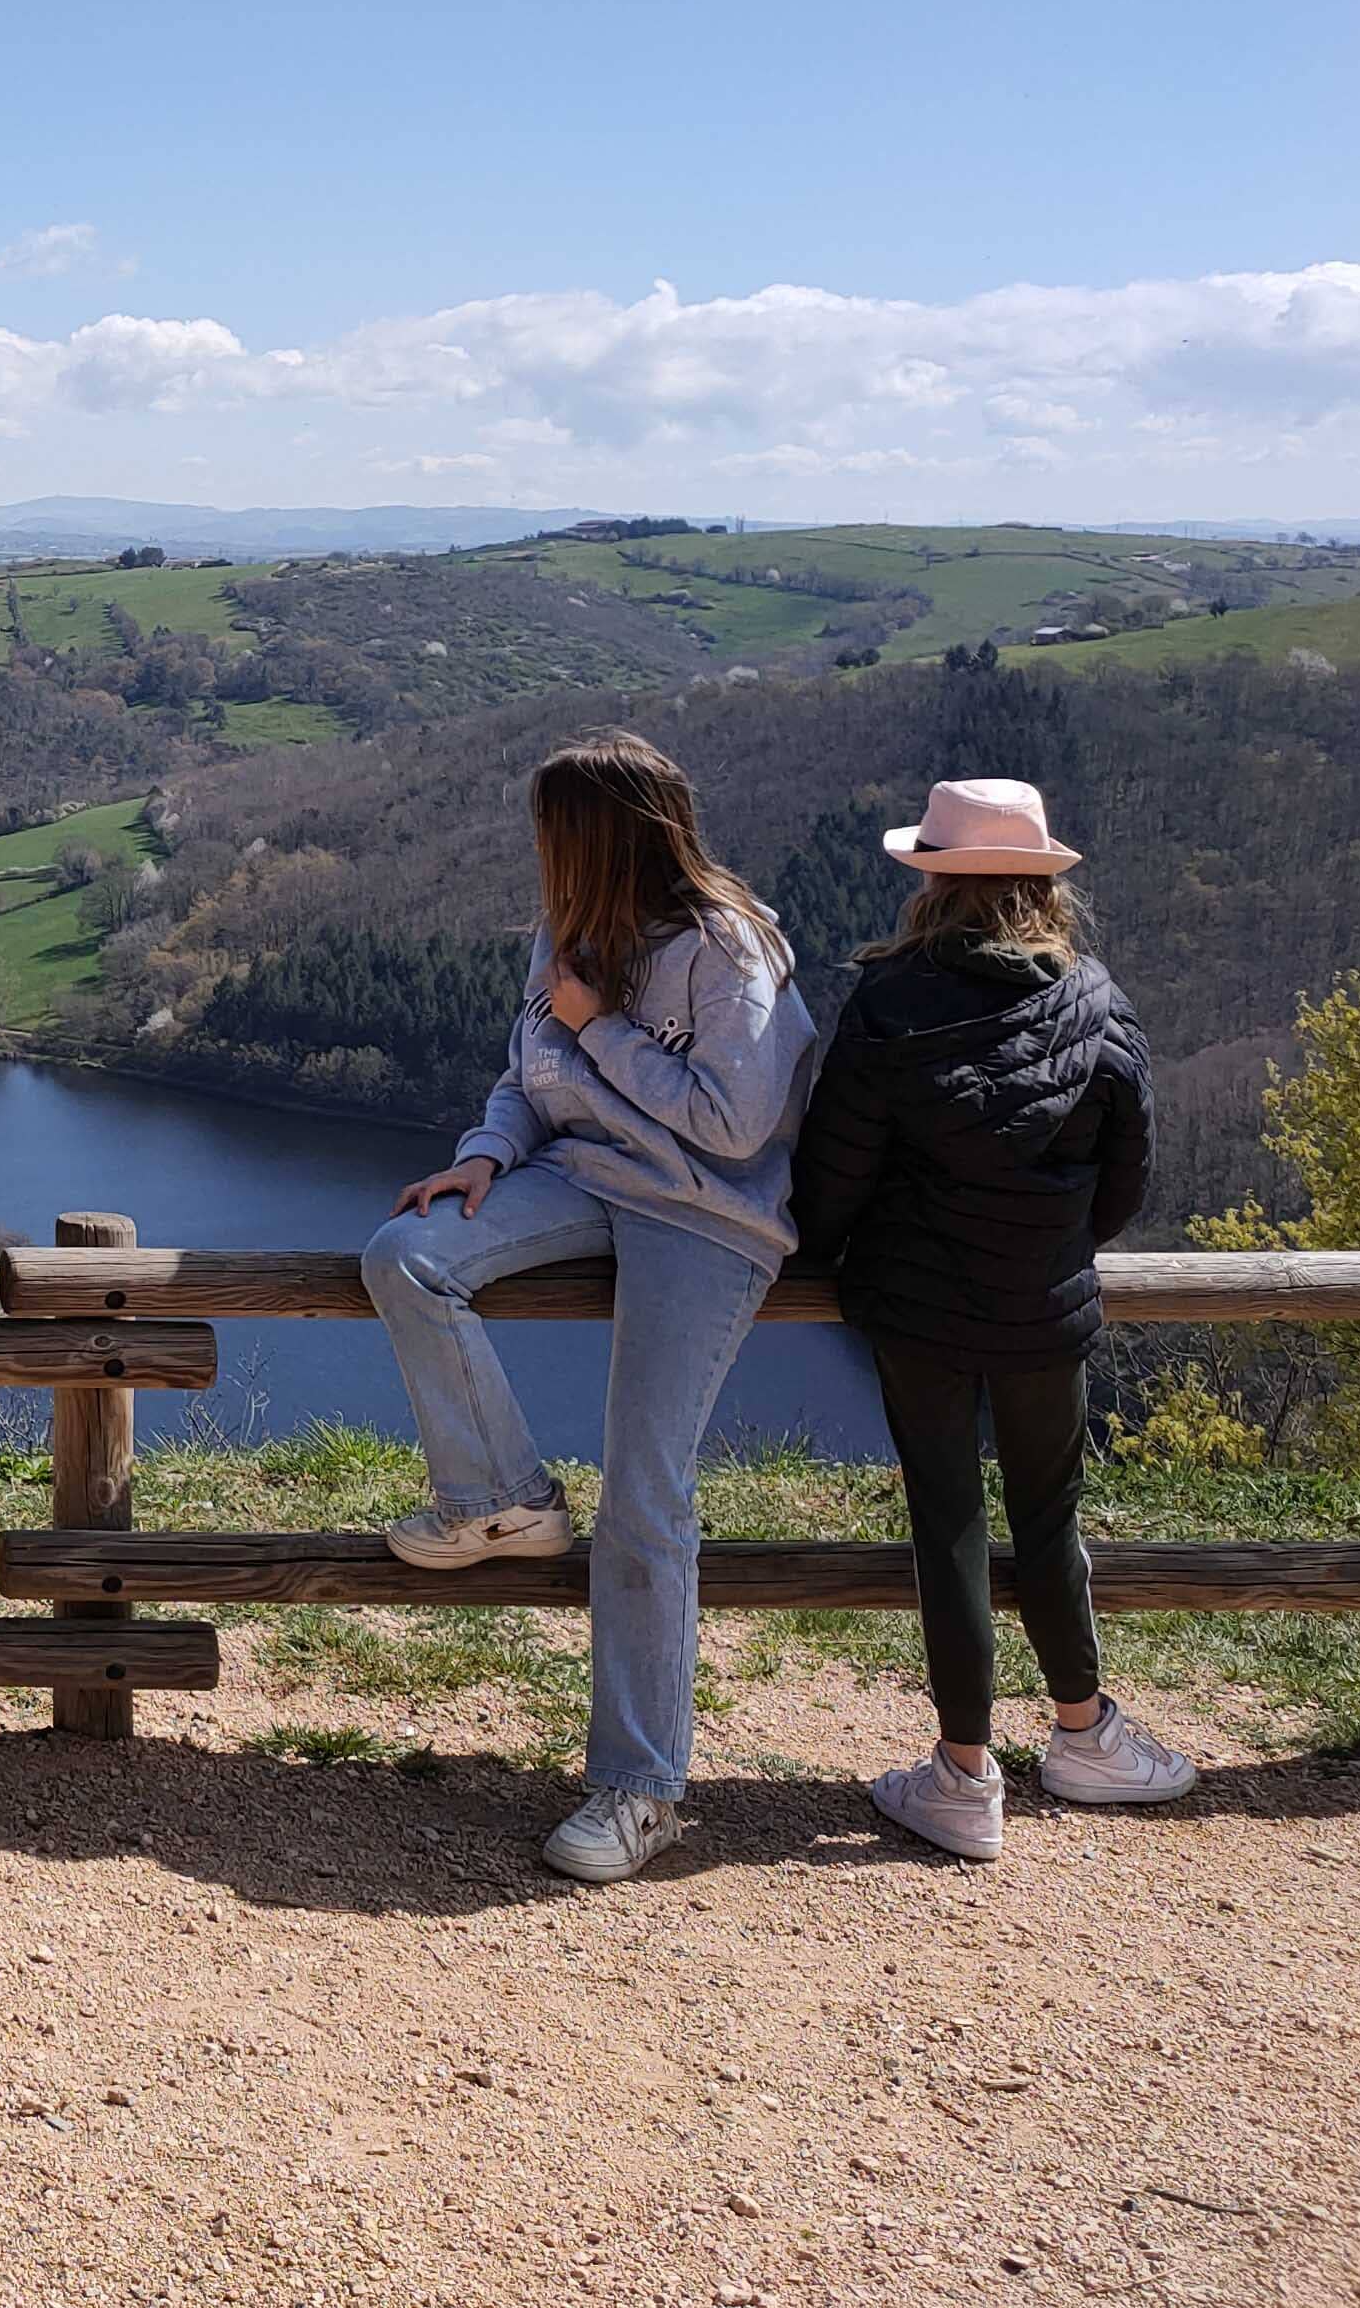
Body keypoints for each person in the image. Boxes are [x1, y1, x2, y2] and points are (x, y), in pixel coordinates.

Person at [360, 729, 817, 1884]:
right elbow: (526, 1079)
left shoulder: (731, 950)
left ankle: (640, 1789)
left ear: (604, 838)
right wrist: (483, 1154)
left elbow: (732, 1125)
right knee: (404, 1256)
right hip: (577, 1177)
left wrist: (596, 1024)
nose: (537, 857)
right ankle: (502, 1500)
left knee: (645, 1496)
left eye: (550, 835)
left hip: (704, 1213)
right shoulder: (567, 938)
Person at [791, 776, 1194, 1861]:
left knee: (947, 1520)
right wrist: (1054, 1249)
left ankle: (964, 1779)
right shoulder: (1096, 1000)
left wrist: (822, 1256)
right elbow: (1126, 1180)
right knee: (1048, 1514)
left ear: (929, 878)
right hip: (1042, 1305)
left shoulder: (887, 1005)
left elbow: (834, 1169)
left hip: (916, 1306)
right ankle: (1083, 1735)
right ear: (1039, 882)